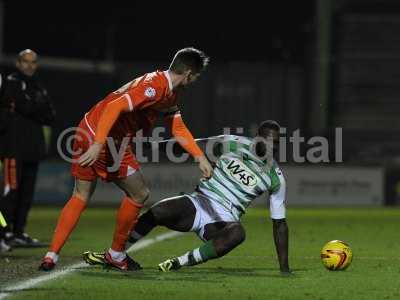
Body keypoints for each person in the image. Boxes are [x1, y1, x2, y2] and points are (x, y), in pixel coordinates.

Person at [39, 47, 213, 271]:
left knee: (80, 195)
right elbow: (115, 106)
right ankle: (116, 254)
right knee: (139, 193)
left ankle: (51, 255)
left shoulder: (167, 90)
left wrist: (198, 156)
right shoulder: (156, 87)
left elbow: (177, 128)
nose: (196, 80)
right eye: (196, 76)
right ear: (189, 73)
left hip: (87, 128)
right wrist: (99, 144)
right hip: (106, 140)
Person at [83, 120, 292, 275]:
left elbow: (280, 224)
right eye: (267, 141)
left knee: (237, 234)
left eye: (275, 143)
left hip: (222, 221)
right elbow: (190, 145)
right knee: (159, 210)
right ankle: (117, 255)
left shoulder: (275, 178)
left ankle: (180, 262)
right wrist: (150, 145)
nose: (271, 146)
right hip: (198, 202)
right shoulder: (231, 143)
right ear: (257, 137)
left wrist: (284, 269)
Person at [0, 50, 56, 250]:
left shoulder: (37, 85)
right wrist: (34, 107)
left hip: (33, 148)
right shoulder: (12, 82)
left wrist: (32, 107)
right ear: (18, 63)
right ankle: (4, 233)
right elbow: (26, 106)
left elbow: (50, 114)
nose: (30, 66)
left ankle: (18, 232)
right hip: (13, 148)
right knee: (10, 192)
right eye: (26, 62)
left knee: (26, 194)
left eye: (33, 62)